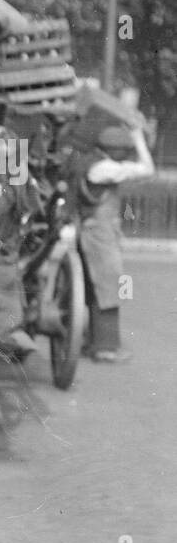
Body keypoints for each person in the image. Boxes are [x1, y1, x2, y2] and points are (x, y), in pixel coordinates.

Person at [78, 122, 154, 363]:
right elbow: (146, 169)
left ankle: (94, 341)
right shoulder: (103, 168)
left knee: (98, 288)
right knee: (109, 287)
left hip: (97, 232)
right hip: (100, 235)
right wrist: (138, 138)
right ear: (115, 150)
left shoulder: (94, 162)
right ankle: (106, 348)